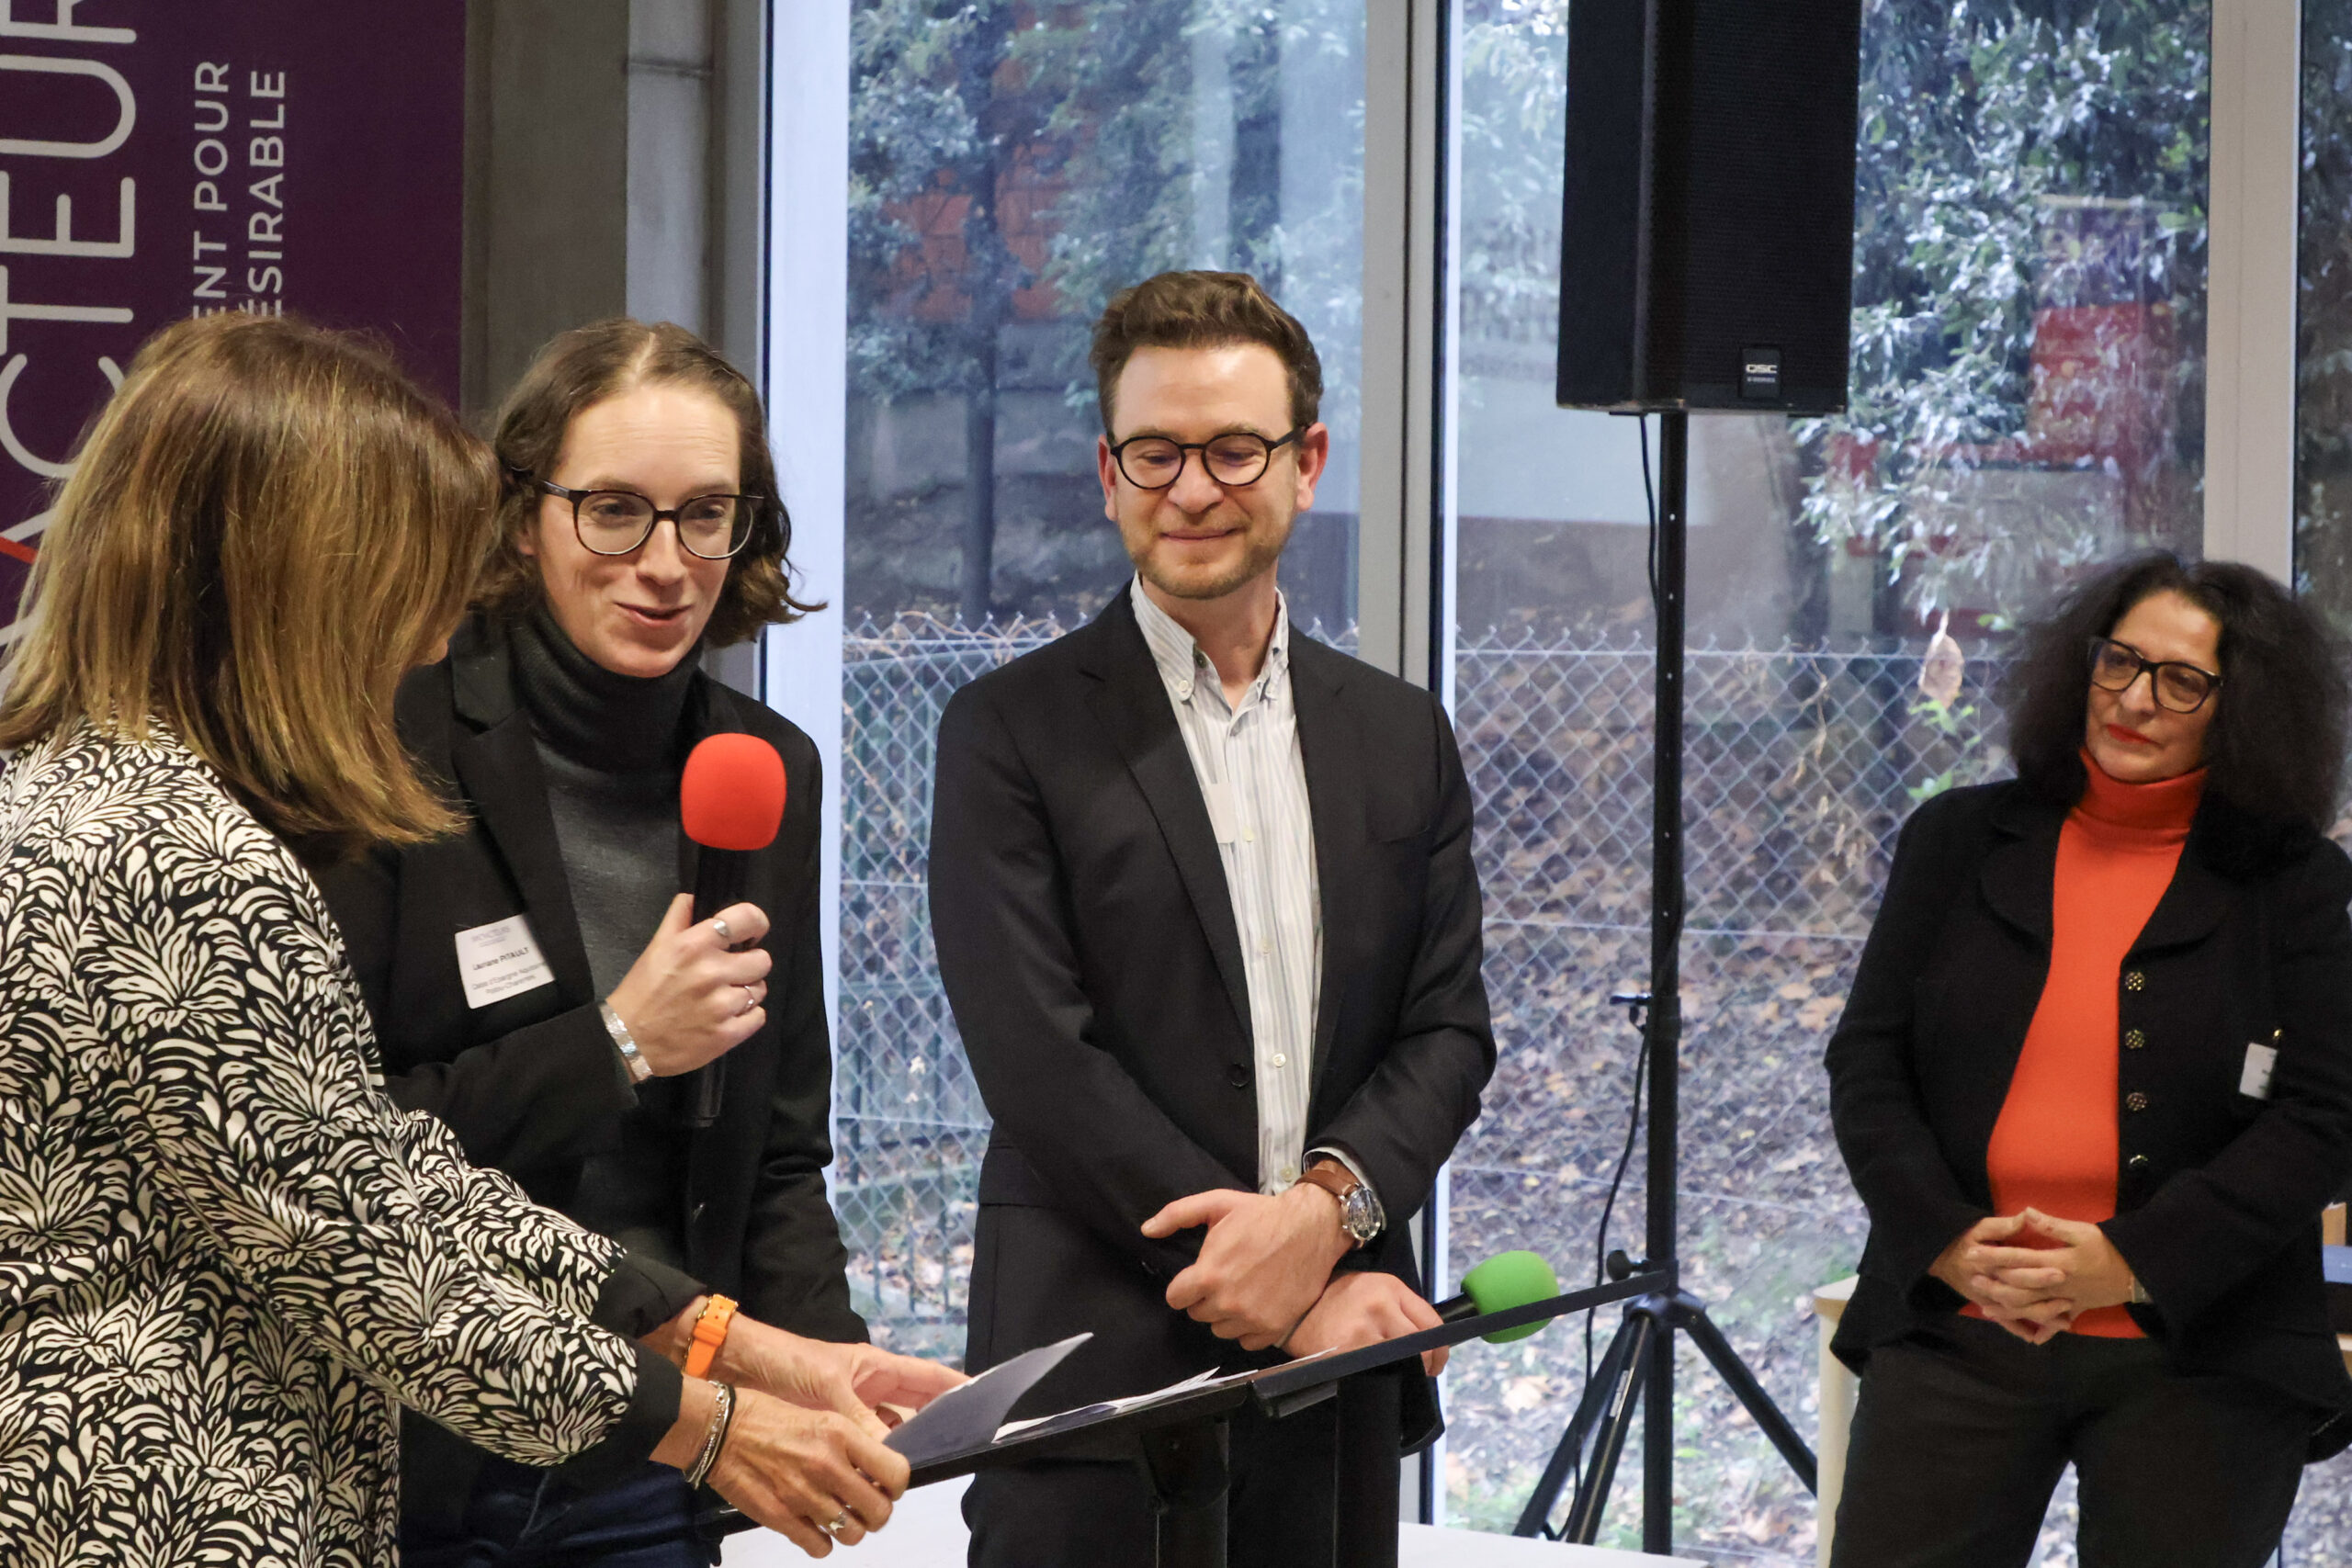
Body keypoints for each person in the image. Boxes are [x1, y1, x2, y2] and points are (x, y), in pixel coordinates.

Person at [0, 313, 952, 1562]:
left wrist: (735, 1342)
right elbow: (371, 1262)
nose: (435, 633)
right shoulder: (173, 857)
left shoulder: (108, 801)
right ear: (290, 582)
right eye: (406, 579)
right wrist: (711, 1423)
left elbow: (383, 1172)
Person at [303, 318, 904, 1566]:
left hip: (662, 1451)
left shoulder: (763, 766)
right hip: (422, 1442)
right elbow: (334, 1151)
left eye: (706, 515)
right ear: (525, 517)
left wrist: (825, 1368)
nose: (665, 564)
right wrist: (619, 1041)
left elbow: (777, 1150)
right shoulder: (389, 737)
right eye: (614, 511)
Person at [928, 270, 1497, 1565]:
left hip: (1340, 1367)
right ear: (1108, 472)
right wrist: (1274, 1278)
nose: (1192, 488)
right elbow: (1037, 1056)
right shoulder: (1008, 730)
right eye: (1156, 452)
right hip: (1094, 1371)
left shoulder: (1400, 732)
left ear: (1306, 463)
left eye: (1234, 449)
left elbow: (1447, 1032)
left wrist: (1325, 1221)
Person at [1825, 553, 2352, 1567]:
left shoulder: (2295, 884)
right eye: (2120, 661)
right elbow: (1867, 1062)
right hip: (1956, 1326)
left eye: (2182, 681)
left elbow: (2324, 1120)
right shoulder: (1957, 838)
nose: (2135, 699)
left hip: (2203, 1354)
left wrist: (2130, 1263)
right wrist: (1947, 1240)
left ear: (2242, 711)